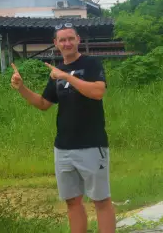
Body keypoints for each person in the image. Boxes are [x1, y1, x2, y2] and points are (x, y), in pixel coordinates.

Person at [10, 22, 116, 233]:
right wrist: (21, 88)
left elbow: (98, 92)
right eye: (62, 40)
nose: (67, 43)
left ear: (78, 39)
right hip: (64, 148)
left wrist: (67, 76)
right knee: (72, 202)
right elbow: (43, 104)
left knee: (101, 201)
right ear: (55, 43)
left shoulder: (91, 64)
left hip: (92, 145)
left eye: (70, 38)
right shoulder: (56, 73)